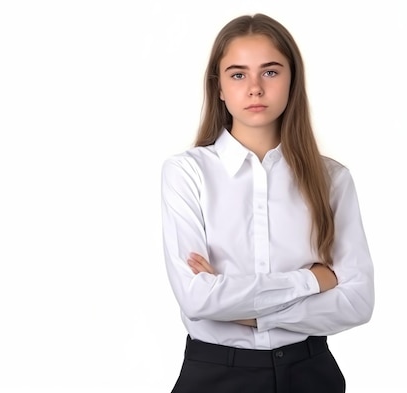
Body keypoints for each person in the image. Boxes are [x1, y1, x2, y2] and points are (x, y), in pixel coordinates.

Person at [160, 13, 375, 393]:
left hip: (310, 374)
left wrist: (248, 314)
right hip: (214, 376)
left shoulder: (332, 180)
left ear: (292, 81)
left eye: (271, 72)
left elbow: (358, 301)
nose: (255, 88)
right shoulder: (187, 173)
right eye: (238, 74)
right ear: (220, 88)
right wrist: (313, 279)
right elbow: (198, 299)